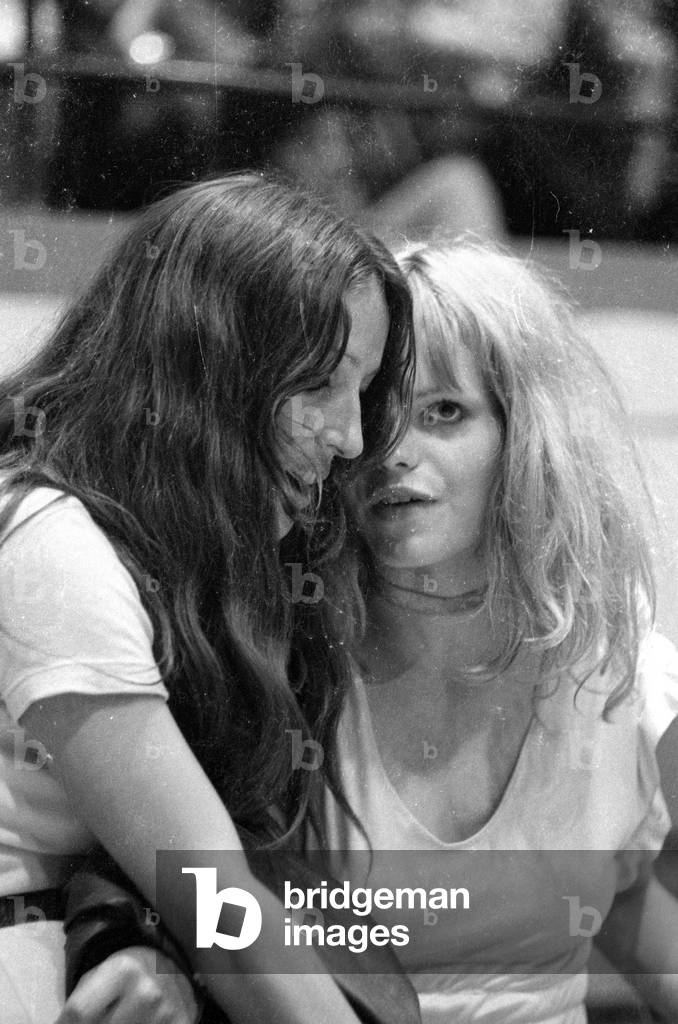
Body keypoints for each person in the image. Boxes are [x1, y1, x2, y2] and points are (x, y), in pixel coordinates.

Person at [73, 240, 678, 1024]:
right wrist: (156, 952)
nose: (389, 453)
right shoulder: (276, 649)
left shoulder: (614, 655)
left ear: (527, 436)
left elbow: (626, 912)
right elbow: (183, 875)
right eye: (375, 414)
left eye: (444, 413)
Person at [0, 173, 415, 1024]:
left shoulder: (206, 552)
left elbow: (221, 878)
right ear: (209, 364)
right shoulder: (49, 541)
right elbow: (211, 893)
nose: (353, 437)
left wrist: (155, 945)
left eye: (361, 389)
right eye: (322, 384)